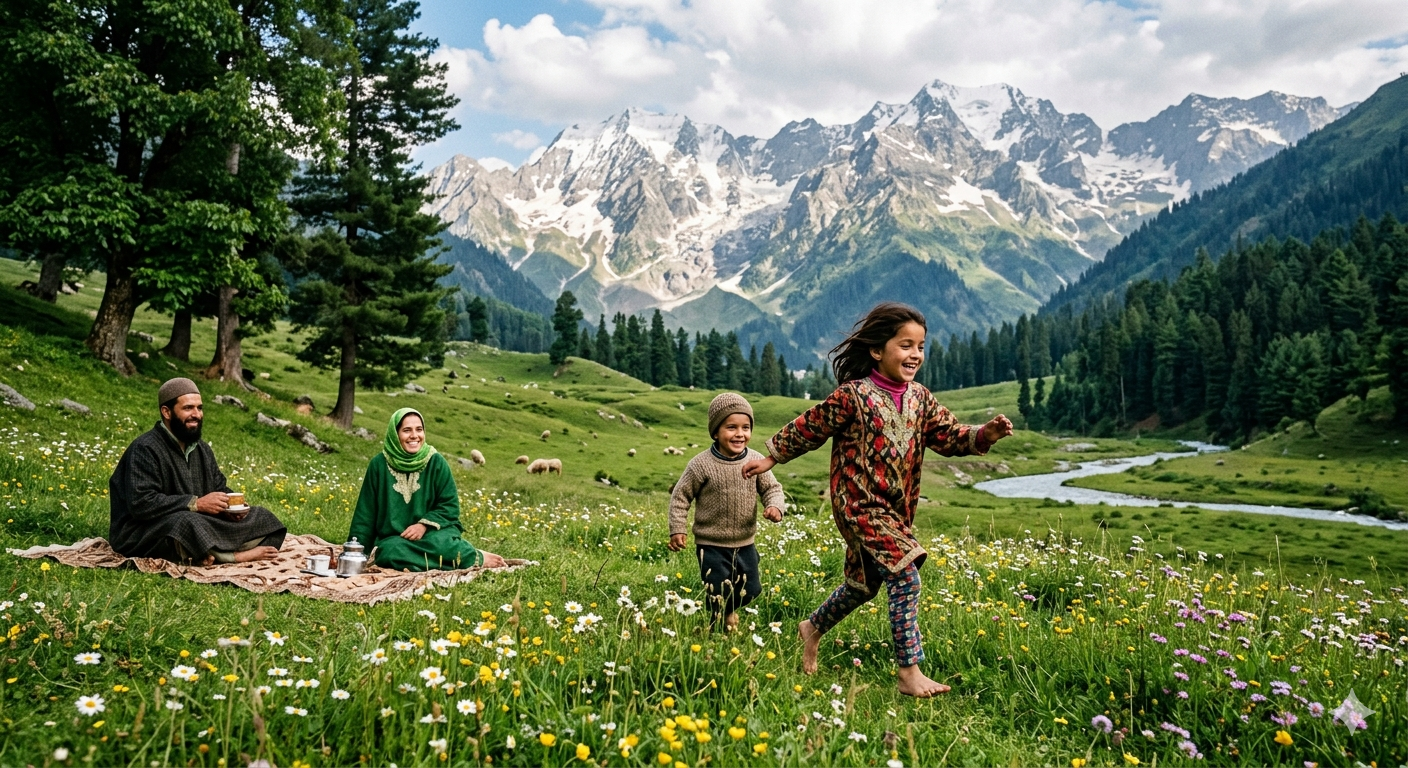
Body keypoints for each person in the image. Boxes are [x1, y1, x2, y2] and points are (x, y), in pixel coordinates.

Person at [743, 303, 1014, 697]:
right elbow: (812, 425)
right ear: (876, 349)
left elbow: (951, 436)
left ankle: (812, 627)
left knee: (864, 584)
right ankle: (909, 672)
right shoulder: (853, 396)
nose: (915, 355)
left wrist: (983, 435)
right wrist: (772, 456)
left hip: (895, 511)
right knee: (906, 573)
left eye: (920, 347)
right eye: (906, 345)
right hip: (857, 505)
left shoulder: (921, 399)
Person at [109, 378, 286, 565]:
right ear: (166, 412)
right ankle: (231, 556)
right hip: (144, 530)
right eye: (188, 408)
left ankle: (205, 552)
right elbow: (141, 503)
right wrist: (196, 504)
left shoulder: (201, 449)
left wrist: (230, 507)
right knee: (186, 524)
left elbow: (219, 486)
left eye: (199, 408)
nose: (197, 414)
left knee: (263, 517)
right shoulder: (145, 448)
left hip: (197, 520)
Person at [668, 393, 786, 631]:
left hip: (745, 542)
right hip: (710, 544)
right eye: (731, 427)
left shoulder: (755, 461)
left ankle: (727, 612)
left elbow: (772, 488)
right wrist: (677, 529)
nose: (739, 434)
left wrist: (775, 506)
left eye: (745, 427)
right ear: (715, 432)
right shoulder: (701, 465)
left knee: (752, 590)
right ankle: (717, 627)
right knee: (717, 590)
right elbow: (681, 496)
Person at [348, 408, 506, 571]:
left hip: (435, 534)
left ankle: (473, 557)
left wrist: (423, 526)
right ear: (395, 434)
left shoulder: (436, 462)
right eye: (406, 430)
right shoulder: (379, 465)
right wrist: (356, 553)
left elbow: (449, 506)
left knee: (442, 545)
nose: (414, 436)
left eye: (419, 429)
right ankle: (460, 558)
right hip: (397, 538)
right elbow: (365, 514)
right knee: (388, 553)